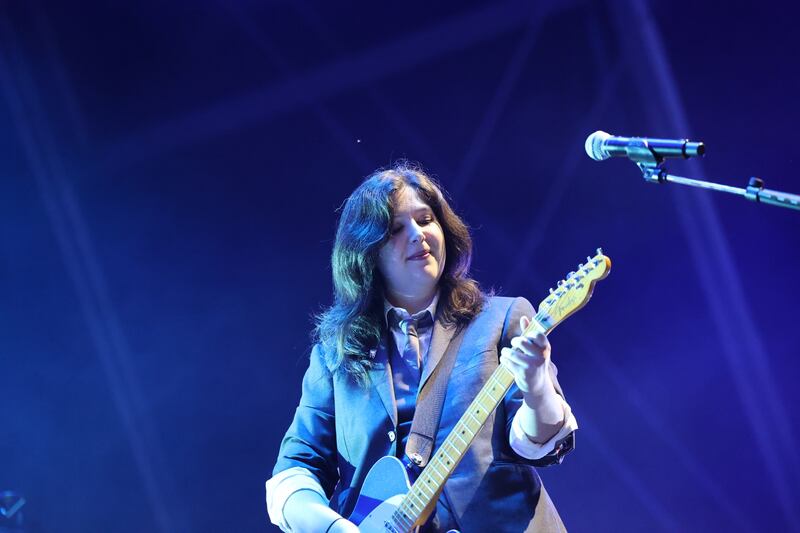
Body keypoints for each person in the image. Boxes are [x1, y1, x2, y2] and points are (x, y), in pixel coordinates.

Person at [266, 163, 578, 532]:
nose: (418, 234)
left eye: (426, 219)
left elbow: (536, 445)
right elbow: (294, 471)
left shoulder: (501, 319)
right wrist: (334, 529)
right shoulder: (336, 355)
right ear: (366, 252)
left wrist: (537, 388)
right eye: (396, 229)